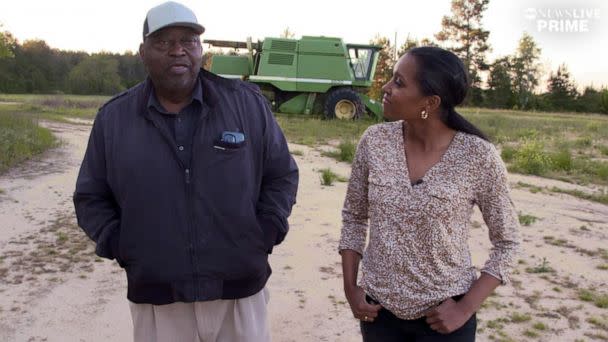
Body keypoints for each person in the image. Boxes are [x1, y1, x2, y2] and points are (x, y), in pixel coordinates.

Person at [73, 2, 298, 341]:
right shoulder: (114, 119)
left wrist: (266, 229)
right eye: (163, 42)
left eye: (188, 40)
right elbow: (91, 196)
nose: (178, 50)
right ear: (142, 52)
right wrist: (123, 245)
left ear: (200, 50)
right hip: (159, 299)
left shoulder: (246, 104)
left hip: (239, 293)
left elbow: (281, 175)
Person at [339, 46, 521, 341]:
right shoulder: (374, 141)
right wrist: (351, 288)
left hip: (444, 320)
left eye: (399, 82)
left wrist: (465, 309)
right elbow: (354, 217)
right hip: (378, 315)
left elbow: (508, 242)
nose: (386, 87)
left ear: (431, 102)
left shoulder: (477, 156)